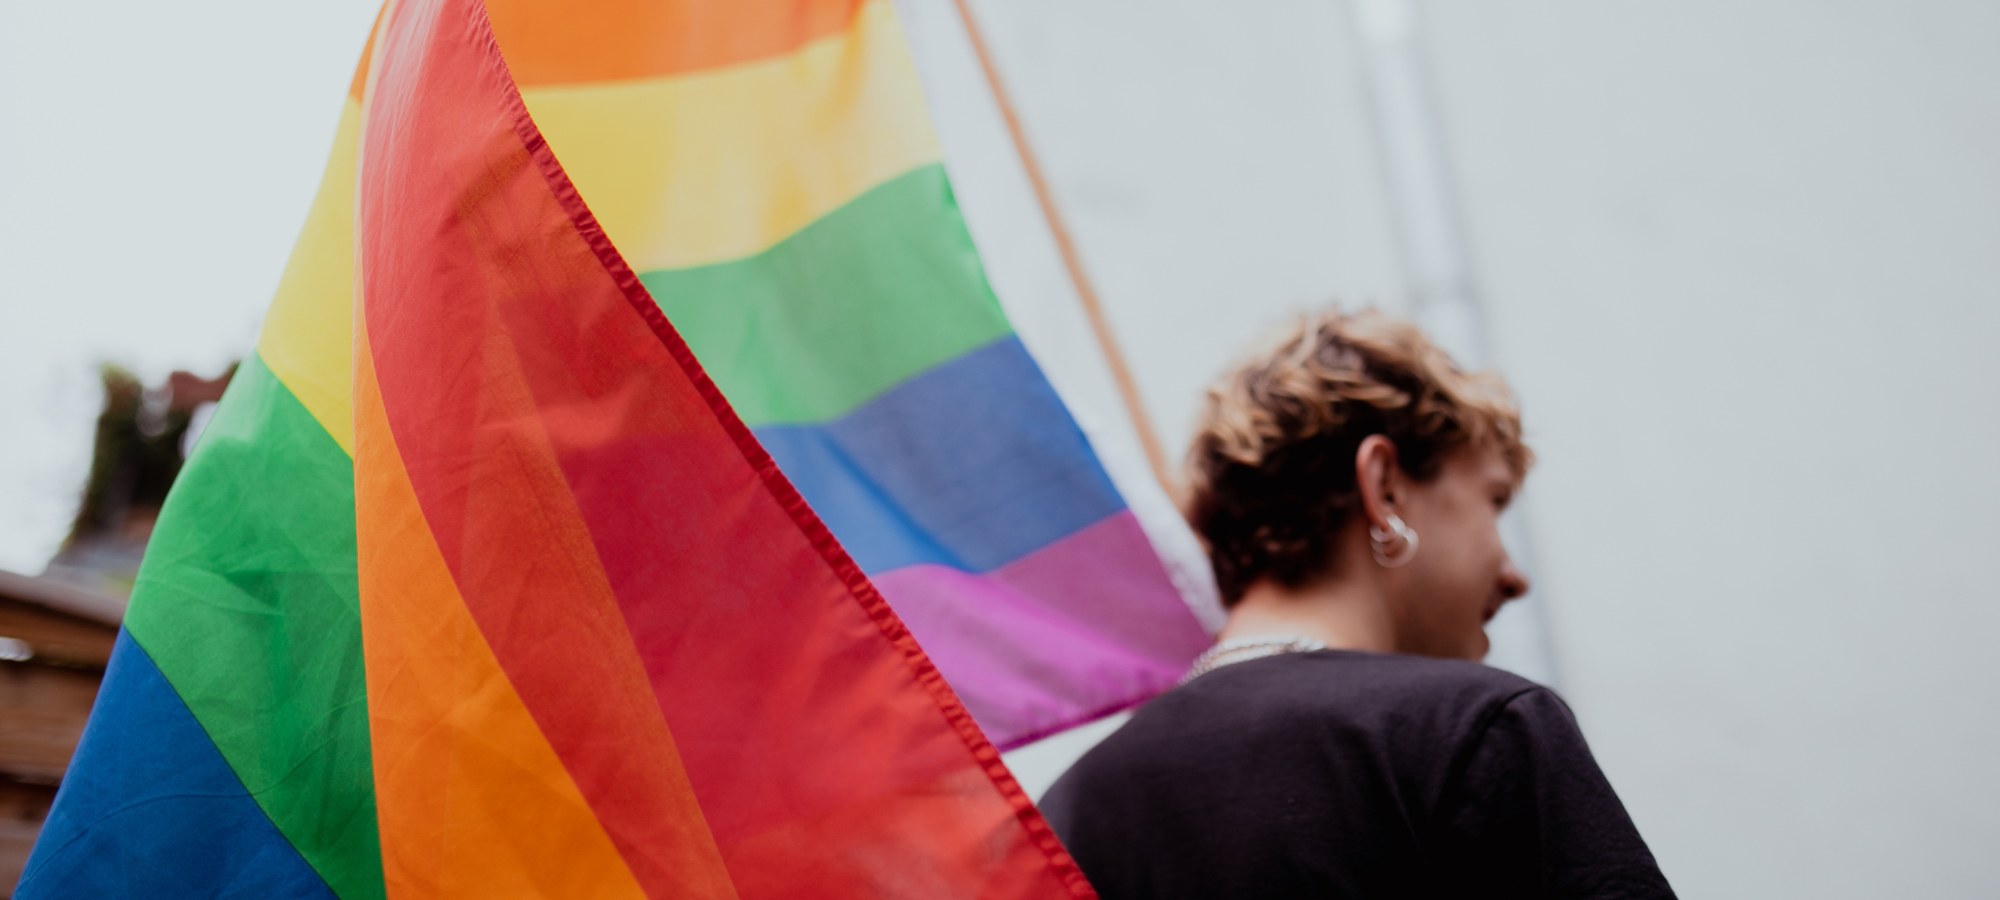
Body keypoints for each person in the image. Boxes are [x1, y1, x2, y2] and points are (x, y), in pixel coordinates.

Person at [1039, 309, 1675, 899]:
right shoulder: (1474, 730)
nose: (1514, 577)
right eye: (1494, 500)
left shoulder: (1061, 817)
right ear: (1385, 485)